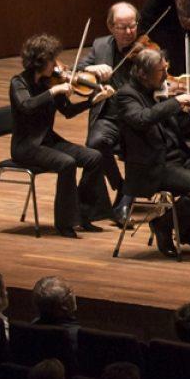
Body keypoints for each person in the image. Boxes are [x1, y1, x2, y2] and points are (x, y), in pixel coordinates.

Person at [114, 47, 190, 256]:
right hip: (153, 166)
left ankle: (189, 230)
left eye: (165, 69)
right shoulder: (126, 96)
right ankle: (164, 224)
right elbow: (142, 119)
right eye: (160, 71)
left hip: (178, 158)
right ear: (143, 74)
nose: (165, 76)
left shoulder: (158, 91)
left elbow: (181, 128)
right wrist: (174, 102)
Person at [10, 33, 114, 236]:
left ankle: (85, 215)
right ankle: (65, 223)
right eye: (52, 60)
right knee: (67, 163)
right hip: (26, 146)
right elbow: (26, 105)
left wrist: (92, 101)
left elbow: (67, 112)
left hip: (48, 140)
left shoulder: (51, 81)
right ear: (40, 62)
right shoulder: (19, 82)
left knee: (94, 157)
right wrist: (54, 91)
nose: (57, 66)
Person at [76, 2, 148, 223]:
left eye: (132, 26)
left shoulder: (146, 50)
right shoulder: (100, 46)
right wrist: (91, 69)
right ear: (110, 27)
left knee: (140, 147)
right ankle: (121, 185)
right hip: (109, 116)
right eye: (122, 27)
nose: (128, 33)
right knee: (95, 143)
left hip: (137, 118)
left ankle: (127, 199)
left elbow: (161, 76)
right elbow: (75, 72)